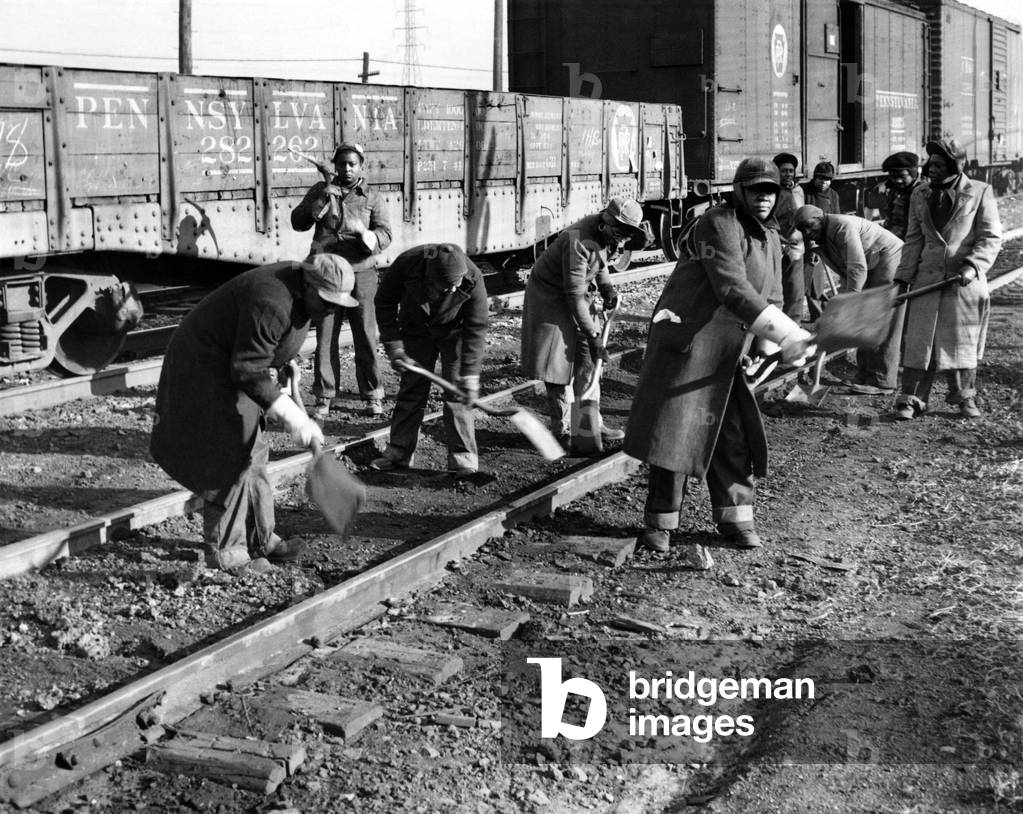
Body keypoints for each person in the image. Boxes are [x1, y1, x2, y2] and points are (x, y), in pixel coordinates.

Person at [624, 158, 816, 558]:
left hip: (733, 348)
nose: (763, 197)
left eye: (770, 190)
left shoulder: (770, 235)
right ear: (739, 191)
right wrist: (789, 335)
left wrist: (765, 351)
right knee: (675, 435)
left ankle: (735, 517)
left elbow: (774, 295)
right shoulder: (717, 223)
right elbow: (732, 288)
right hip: (691, 343)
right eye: (754, 189)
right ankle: (660, 523)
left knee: (733, 435)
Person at [150, 255, 355, 575]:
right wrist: (291, 414)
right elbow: (247, 367)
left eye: (339, 303)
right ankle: (227, 552)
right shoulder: (272, 301)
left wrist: (284, 367)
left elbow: (263, 343)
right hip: (205, 367)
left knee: (255, 451)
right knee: (228, 455)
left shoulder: (300, 294)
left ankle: (260, 538)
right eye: (328, 301)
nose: (332, 309)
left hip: (236, 362)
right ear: (309, 286)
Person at [521, 197, 646, 450]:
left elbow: (599, 262)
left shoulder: (610, 235)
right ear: (606, 222)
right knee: (556, 363)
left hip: (575, 294)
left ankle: (588, 426)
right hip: (550, 297)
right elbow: (574, 294)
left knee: (589, 360)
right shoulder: (577, 240)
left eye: (628, 234)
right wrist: (593, 334)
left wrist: (607, 287)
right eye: (620, 232)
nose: (623, 240)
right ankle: (563, 429)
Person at [892, 138, 1002, 421]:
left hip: (962, 280)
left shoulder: (979, 192)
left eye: (940, 164)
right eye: (931, 163)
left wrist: (973, 265)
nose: (932, 168)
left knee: (961, 341)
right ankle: (911, 399)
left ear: (957, 165)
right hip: (927, 279)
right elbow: (913, 239)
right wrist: (903, 277)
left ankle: (965, 398)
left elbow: (990, 237)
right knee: (920, 341)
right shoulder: (921, 194)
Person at [291, 143, 392, 419]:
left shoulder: (372, 196)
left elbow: (385, 233)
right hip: (327, 276)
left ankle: (373, 395)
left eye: (352, 164)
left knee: (365, 335)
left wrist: (370, 238)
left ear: (362, 166)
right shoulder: (321, 190)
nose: (346, 169)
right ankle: (324, 397)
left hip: (361, 273)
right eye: (342, 164)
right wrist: (321, 200)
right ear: (334, 165)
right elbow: (297, 222)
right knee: (325, 336)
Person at [370, 244, 489, 477]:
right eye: (448, 288)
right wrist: (395, 347)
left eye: (457, 286)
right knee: (412, 387)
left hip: (455, 333)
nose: (454, 290)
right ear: (430, 279)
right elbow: (384, 302)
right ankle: (399, 451)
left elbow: (477, 326)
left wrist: (471, 374)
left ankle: (463, 458)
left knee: (458, 392)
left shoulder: (472, 277)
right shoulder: (407, 263)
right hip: (416, 328)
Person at [793, 205, 904, 394]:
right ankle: (864, 374)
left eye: (810, 226)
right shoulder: (820, 236)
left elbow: (857, 268)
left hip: (889, 260)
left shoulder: (842, 226)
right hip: (871, 265)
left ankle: (881, 381)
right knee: (863, 321)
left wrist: (849, 303)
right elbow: (846, 269)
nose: (807, 232)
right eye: (803, 229)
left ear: (821, 218)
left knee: (881, 319)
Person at [772, 152, 806, 321]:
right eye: (784, 171)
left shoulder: (799, 191)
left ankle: (795, 324)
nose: (788, 174)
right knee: (774, 288)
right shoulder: (772, 191)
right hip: (775, 244)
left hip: (795, 246)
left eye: (791, 171)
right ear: (777, 172)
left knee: (795, 288)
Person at [880, 151, 924, 240]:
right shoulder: (893, 192)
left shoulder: (922, 193)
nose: (898, 181)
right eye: (893, 176)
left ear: (913, 174)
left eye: (902, 176)